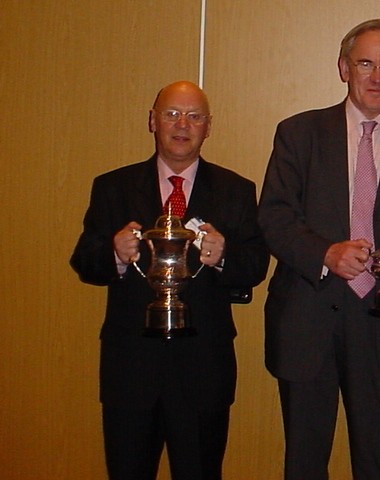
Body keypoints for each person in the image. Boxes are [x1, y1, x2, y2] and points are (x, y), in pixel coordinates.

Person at [258, 19, 380, 480]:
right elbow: (275, 217)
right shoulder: (298, 132)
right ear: (344, 67)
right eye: (366, 63)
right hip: (306, 320)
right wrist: (325, 253)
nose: (377, 77)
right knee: (304, 462)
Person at [70, 80, 269, 480]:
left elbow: (256, 267)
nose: (183, 125)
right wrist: (115, 254)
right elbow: (84, 263)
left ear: (208, 127)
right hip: (130, 369)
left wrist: (223, 256)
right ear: (153, 121)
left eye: (194, 116)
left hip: (202, 370)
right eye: (172, 114)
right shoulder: (113, 186)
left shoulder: (236, 190)